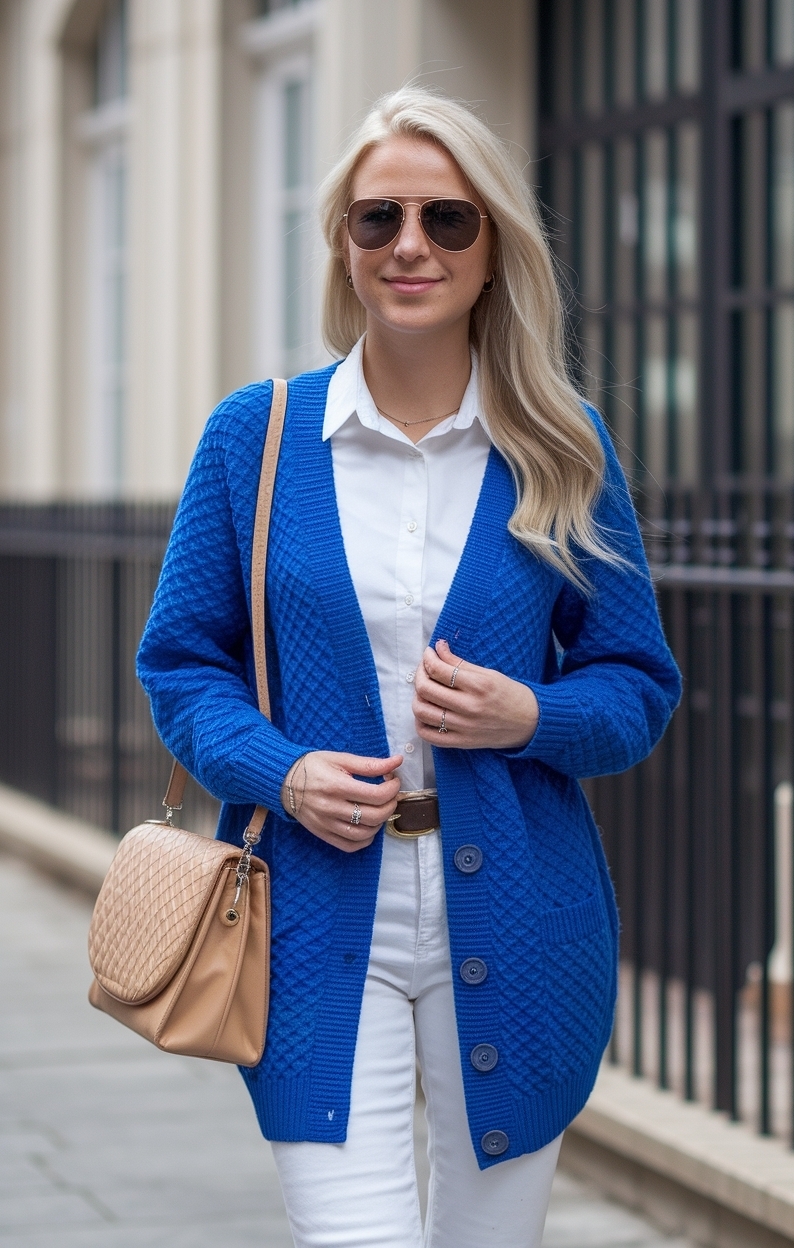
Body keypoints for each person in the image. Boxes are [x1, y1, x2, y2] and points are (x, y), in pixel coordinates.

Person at [137, 87, 681, 1248]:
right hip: (310, 913)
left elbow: (636, 687)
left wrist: (528, 714)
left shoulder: (561, 447)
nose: (410, 246)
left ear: (493, 249)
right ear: (343, 243)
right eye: (377, 217)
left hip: (522, 916)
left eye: (447, 219)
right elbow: (180, 667)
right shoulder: (256, 436)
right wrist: (283, 773)